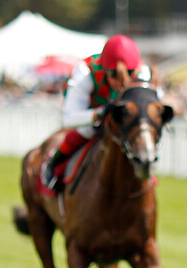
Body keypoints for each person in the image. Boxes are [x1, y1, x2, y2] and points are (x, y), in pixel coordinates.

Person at [41, 34, 152, 192]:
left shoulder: (142, 72)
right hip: (91, 114)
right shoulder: (85, 72)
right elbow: (69, 119)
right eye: (114, 75)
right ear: (105, 69)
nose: (122, 80)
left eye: (130, 72)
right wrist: (100, 113)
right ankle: (53, 163)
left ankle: (146, 170)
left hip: (121, 119)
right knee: (86, 131)